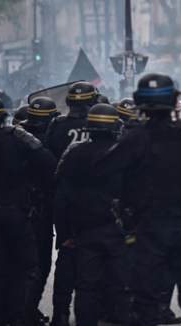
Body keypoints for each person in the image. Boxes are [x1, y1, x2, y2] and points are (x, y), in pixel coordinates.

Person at [96, 73, 181, 326]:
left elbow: (102, 169)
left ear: (139, 101)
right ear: (173, 99)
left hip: (149, 227)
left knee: (145, 301)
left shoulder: (137, 137)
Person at [0, 95, 56, 326]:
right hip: (16, 212)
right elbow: (48, 162)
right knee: (27, 266)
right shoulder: (16, 138)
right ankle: (21, 316)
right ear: (2, 116)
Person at [54, 103, 129, 326]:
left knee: (86, 286)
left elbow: (62, 197)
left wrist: (64, 233)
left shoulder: (75, 154)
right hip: (119, 230)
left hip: (85, 230)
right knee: (124, 284)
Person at [45, 81, 98, 326]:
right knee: (96, 257)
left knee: (66, 255)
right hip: (96, 200)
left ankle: (61, 314)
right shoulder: (104, 126)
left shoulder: (57, 126)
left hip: (64, 199)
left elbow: (47, 159)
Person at [22, 96, 60, 324]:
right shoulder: (47, 139)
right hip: (40, 208)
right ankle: (27, 311)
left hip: (20, 207)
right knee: (40, 262)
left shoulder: (17, 135)